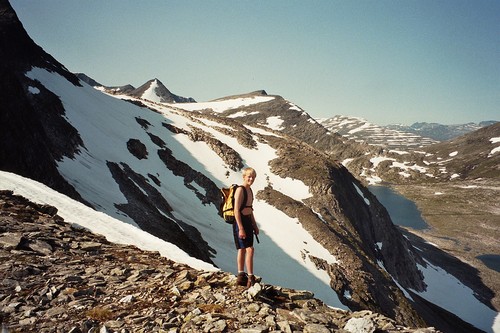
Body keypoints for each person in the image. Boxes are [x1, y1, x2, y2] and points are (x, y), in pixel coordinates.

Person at [233, 167, 259, 287]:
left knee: (243, 249)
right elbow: (236, 210)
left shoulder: (249, 191)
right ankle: (250, 276)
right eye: (249, 176)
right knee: (248, 249)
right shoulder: (240, 190)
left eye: (253, 177)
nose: (251, 179)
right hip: (241, 222)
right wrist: (241, 227)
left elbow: (250, 209)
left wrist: (254, 225)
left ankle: (241, 276)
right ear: (244, 177)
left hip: (248, 222)